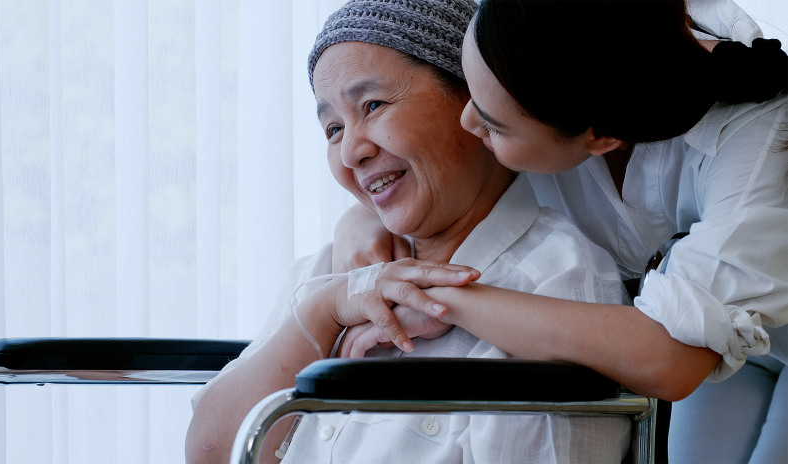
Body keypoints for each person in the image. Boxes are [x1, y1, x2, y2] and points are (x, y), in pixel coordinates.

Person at [332, 0, 788, 462]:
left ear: (601, 136)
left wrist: (440, 299)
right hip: (719, 343)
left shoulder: (757, 142)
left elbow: (670, 358)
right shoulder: (549, 48)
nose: (468, 123)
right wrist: (364, 215)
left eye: (492, 124)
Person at [184, 1, 637, 463]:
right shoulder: (327, 270)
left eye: (373, 105)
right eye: (333, 128)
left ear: (474, 102)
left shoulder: (560, 282)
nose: (351, 153)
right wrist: (322, 312)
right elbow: (211, 452)